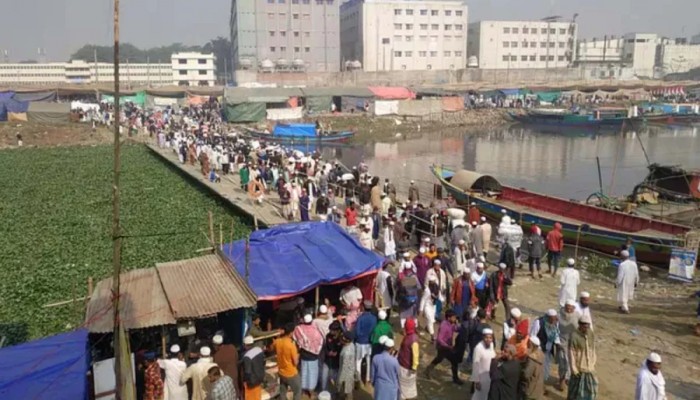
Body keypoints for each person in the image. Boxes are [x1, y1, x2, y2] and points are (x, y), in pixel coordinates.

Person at [425, 310, 463, 385]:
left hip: (447, 347)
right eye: (454, 317)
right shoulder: (444, 325)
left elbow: (455, 329)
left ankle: (428, 370)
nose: (455, 318)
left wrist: (459, 326)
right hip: (443, 347)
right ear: (449, 318)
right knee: (453, 361)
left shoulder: (451, 324)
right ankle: (455, 378)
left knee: (439, 359)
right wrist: (448, 346)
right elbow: (439, 339)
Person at [293, 313, 324, 398]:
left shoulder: (299, 329)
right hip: (314, 356)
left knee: (304, 372)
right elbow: (321, 341)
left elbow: (296, 339)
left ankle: (303, 390)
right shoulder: (316, 331)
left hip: (304, 355)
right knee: (313, 373)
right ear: (311, 321)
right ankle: (311, 391)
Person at [568, 314, 597, 400]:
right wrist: (574, 369)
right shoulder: (574, 336)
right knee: (575, 390)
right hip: (579, 369)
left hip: (590, 368)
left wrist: (593, 362)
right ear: (580, 324)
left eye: (587, 325)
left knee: (592, 389)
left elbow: (593, 349)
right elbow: (571, 354)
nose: (586, 328)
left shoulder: (591, 333)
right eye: (584, 325)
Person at [529, 309, 560, 384]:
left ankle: (542, 384)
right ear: (548, 317)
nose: (553, 321)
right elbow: (533, 335)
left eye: (555, 319)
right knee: (538, 368)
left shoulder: (556, 323)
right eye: (552, 319)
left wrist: (558, 344)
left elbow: (556, 335)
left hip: (548, 350)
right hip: (539, 349)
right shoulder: (539, 322)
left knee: (546, 369)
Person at [273, 323, 301, 400]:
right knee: (298, 391)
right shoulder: (291, 345)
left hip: (281, 372)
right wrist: (298, 355)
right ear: (291, 333)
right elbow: (295, 362)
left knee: (283, 391)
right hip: (291, 373)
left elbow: (272, 347)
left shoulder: (278, 341)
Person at [558, 300, 580, 391]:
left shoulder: (577, 316)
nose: (569, 309)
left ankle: (569, 379)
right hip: (561, 343)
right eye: (567, 307)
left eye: (571, 307)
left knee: (572, 363)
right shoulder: (559, 315)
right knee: (563, 363)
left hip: (573, 344)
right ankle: (562, 379)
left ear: (574, 308)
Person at [355, 300, 378, 385]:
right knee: (368, 361)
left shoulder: (360, 318)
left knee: (358, 361)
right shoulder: (374, 318)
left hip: (360, 343)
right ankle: (367, 379)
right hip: (369, 343)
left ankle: (358, 379)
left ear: (363, 307)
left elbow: (357, 332)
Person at [471, 327, 497, 400]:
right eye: (486, 337)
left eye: (490, 338)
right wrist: (477, 381)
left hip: (489, 376)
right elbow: (475, 365)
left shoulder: (491, 345)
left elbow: (493, 355)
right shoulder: (478, 348)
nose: (488, 340)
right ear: (483, 337)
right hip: (481, 378)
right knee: (478, 396)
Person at [398, 318, 419, 400]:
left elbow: (415, 355)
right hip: (404, 365)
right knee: (404, 389)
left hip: (407, 367)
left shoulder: (413, 339)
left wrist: (414, 367)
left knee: (405, 390)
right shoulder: (409, 336)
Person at [320, 321, 343, 393]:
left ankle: (337, 392)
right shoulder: (328, 336)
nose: (330, 331)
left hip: (336, 363)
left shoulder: (342, 338)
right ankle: (324, 392)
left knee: (336, 379)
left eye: (332, 330)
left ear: (338, 330)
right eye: (330, 330)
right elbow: (325, 347)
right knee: (324, 378)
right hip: (327, 360)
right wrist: (328, 353)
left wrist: (337, 353)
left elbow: (342, 350)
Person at [397, 262, 421, 328]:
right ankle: (415, 327)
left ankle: (403, 328)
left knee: (403, 314)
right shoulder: (414, 277)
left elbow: (399, 287)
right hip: (414, 298)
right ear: (411, 268)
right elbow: (419, 287)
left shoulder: (402, 277)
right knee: (414, 314)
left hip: (404, 298)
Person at [241, 336, 265, 400]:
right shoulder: (259, 350)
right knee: (257, 396)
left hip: (251, 382)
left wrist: (244, 381)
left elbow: (247, 372)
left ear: (245, 345)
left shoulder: (247, 356)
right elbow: (263, 362)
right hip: (260, 378)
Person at [338, 330, 357, 400]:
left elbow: (344, 367)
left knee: (348, 391)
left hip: (346, 375)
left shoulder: (346, 353)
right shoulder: (352, 344)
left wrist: (340, 379)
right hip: (351, 371)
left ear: (346, 340)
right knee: (348, 390)